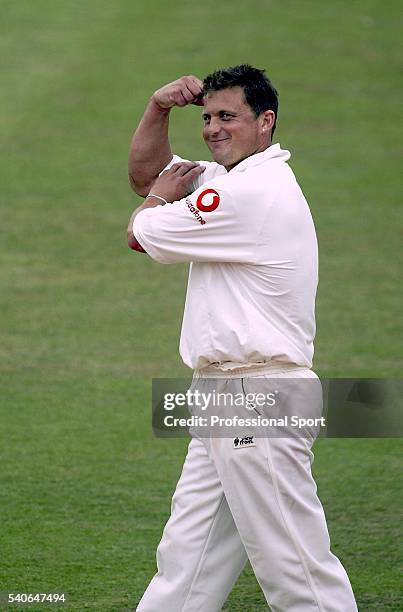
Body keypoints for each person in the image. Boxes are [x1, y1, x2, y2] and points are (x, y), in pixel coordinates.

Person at [127, 65, 358, 612]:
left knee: (297, 571)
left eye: (227, 116)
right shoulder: (229, 180)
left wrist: (160, 200)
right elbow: (147, 176)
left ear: (266, 121)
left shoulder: (251, 191)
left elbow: (142, 228)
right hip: (222, 395)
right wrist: (157, 110)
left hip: (256, 396)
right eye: (206, 117)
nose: (211, 128)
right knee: (188, 561)